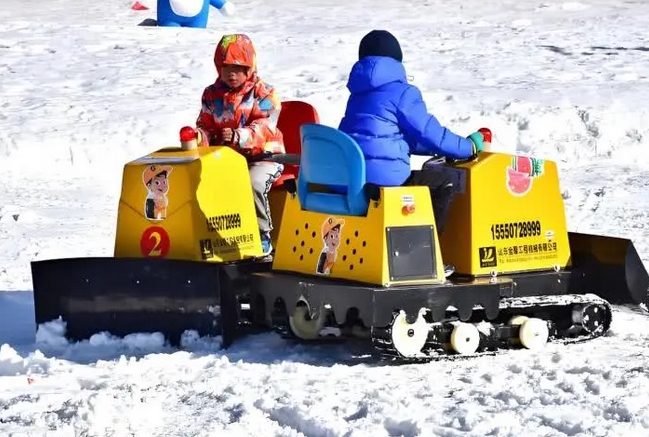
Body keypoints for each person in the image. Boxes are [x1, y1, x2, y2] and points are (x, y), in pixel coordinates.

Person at [338, 29, 486, 277]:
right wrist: (468, 146)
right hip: (389, 182)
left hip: (357, 180)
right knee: (445, 180)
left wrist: (430, 148)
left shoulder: (357, 95)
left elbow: (385, 137)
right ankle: (423, 256)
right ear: (397, 59)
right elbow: (431, 132)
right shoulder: (403, 93)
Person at [195, 33, 285, 257]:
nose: (231, 73)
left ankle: (263, 236)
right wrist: (198, 137)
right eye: (225, 67)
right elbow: (205, 124)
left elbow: (266, 126)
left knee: (254, 182)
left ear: (249, 67)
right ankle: (218, 238)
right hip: (230, 159)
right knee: (203, 181)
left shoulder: (265, 93)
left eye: (237, 67)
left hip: (266, 157)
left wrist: (238, 136)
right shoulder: (212, 95)